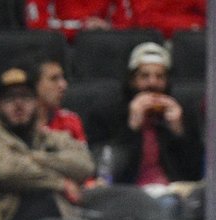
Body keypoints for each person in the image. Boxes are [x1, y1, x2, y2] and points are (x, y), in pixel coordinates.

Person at [0, 67, 94, 220]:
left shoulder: (53, 137)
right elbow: (6, 170)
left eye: (26, 98)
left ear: (37, 103)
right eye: (10, 99)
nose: (18, 105)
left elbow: (85, 165)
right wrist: (59, 183)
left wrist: (29, 157)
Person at [84, 42, 201, 195]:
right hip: (126, 193)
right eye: (144, 76)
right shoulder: (106, 111)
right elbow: (105, 171)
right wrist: (131, 128)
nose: (152, 83)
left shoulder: (182, 113)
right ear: (132, 80)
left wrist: (179, 132)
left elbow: (195, 172)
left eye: (160, 77)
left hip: (173, 192)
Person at [33, 57, 86, 142]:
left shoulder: (70, 121)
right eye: (54, 79)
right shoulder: (18, 122)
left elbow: (82, 154)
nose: (63, 85)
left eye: (63, 78)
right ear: (35, 85)